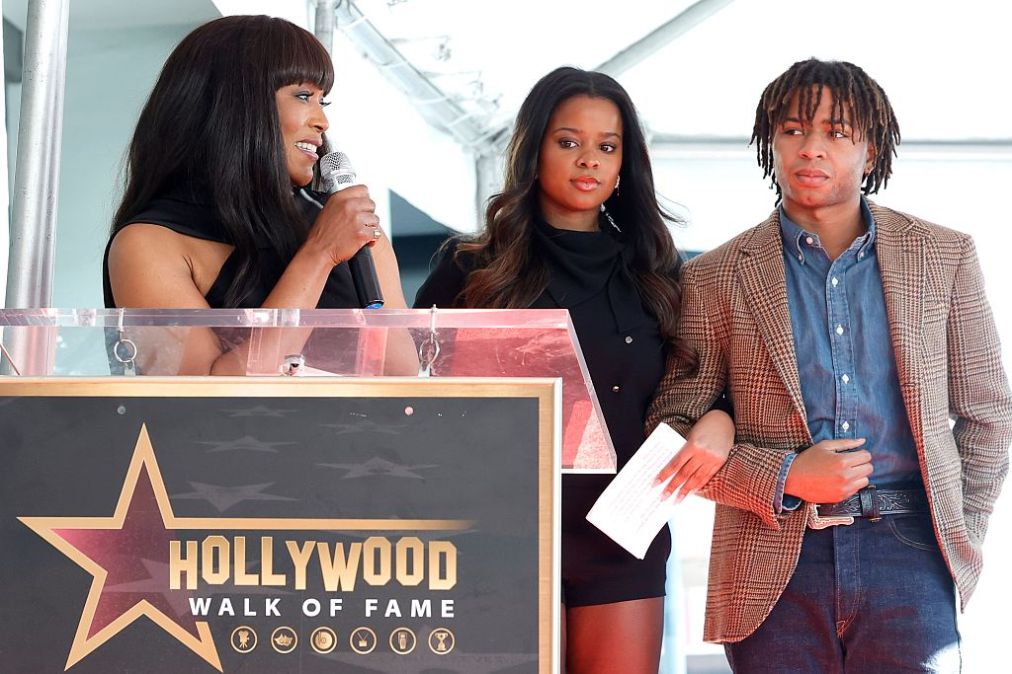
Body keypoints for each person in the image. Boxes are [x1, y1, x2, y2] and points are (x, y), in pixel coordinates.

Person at [648, 58, 1012, 672]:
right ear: (771, 142)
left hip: (912, 551)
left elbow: (990, 418)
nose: (811, 147)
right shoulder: (713, 277)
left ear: (870, 152)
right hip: (770, 562)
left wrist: (961, 538)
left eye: (837, 133)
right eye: (793, 131)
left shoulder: (944, 256)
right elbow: (670, 436)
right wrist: (785, 475)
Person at [414, 66, 734, 674]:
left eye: (606, 147)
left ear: (622, 167)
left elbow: (707, 384)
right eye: (569, 142)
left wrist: (719, 418)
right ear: (533, 152)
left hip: (623, 527)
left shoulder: (660, 276)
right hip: (499, 530)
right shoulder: (472, 268)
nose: (588, 160)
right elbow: (403, 377)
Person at [103, 15, 408, 375]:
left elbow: (401, 374)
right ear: (236, 104)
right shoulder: (149, 244)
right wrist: (318, 256)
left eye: (322, 102)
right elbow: (205, 400)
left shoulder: (351, 232)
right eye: (304, 96)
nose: (322, 122)